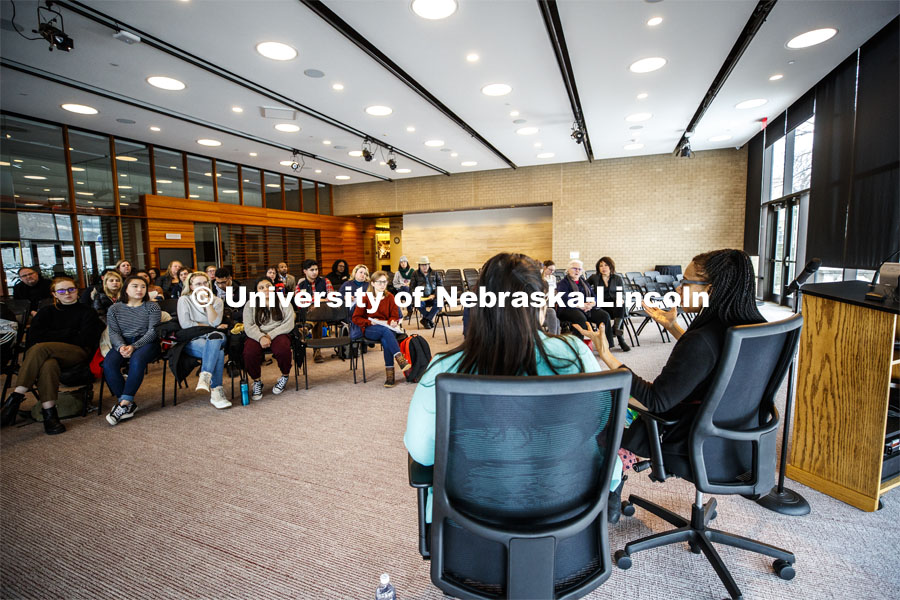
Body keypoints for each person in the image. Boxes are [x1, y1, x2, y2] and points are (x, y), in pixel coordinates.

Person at [404, 253, 622, 522]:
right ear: (542, 306)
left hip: (469, 528)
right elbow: (599, 426)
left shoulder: (443, 368)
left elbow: (422, 453)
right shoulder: (575, 354)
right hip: (570, 517)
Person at [576, 248, 765, 522]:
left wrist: (606, 356)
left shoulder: (702, 341)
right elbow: (710, 365)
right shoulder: (747, 327)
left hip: (683, 436)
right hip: (734, 439)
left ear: (710, 289)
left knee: (600, 404)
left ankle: (611, 482)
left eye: (686, 282)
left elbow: (655, 401)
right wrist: (675, 328)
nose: (678, 286)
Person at [1, 276, 103, 434]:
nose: (67, 293)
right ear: (55, 294)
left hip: (77, 352)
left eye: (71, 289)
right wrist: (70, 332)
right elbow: (34, 337)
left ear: (77, 291)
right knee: (48, 364)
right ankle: (50, 414)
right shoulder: (46, 312)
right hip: (50, 355)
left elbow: (85, 338)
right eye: (61, 290)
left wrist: (53, 335)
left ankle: (16, 397)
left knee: (41, 348)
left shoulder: (87, 311)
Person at [103, 275, 161, 426]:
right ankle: (125, 402)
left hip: (147, 343)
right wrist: (121, 346)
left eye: (143, 286)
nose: (140, 289)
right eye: (135, 286)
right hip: (123, 342)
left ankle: (124, 404)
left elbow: (153, 332)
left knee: (137, 360)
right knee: (108, 364)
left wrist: (135, 346)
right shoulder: (114, 308)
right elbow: (113, 332)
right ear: (126, 289)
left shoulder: (152, 306)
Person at [177, 272, 231, 409]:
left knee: (216, 338)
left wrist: (208, 303)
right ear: (191, 286)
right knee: (218, 351)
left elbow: (216, 322)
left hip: (215, 337)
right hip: (194, 339)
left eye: (205, 283)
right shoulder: (184, 300)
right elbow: (186, 325)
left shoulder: (217, 301)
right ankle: (216, 391)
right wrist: (210, 327)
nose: (202, 286)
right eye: (198, 284)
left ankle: (206, 375)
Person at [352, 270, 410, 388]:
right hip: (370, 328)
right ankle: (400, 359)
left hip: (386, 326)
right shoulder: (365, 298)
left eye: (384, 282)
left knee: (386, 338)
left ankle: (390, 376)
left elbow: (394, 315)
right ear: (372, 283)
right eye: (379, 282)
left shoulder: (390, 297)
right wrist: (369, 322)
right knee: (385, 332)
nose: (383, 285)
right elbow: (356, 318)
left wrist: (392, 321)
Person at [242, 277, 295, 401]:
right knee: (249, 352)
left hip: (279, 332)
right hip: (257, 334)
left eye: (268, 286)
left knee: (283, 350)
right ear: (256, 291)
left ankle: (284, 376)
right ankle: (257, 381)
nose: (266, 289)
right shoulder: (250, 304)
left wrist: (270, 336)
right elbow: (248, 326)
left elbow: (289, 323)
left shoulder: (283, 301)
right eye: (261, 288)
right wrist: (261, 337)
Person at [556, 259, 614, 349]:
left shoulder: (584, 282)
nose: (577, 271)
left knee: (604, 315)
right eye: (574, 268)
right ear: (568, 270)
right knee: (580, 318)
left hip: (586, 308)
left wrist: (592, 303)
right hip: (568, 309)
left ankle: (607, 345)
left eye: (579, 269)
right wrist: (580, 305)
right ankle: (578, 347)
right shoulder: (563, 283)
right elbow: (564, 298)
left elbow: (593, 295)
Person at [587, 257, 630, 351]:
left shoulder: (617, 278)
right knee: (619, 312)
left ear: (611, 266)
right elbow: (585, 287)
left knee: (620, 305)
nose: (603, 267)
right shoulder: (594, 277)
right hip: (601, 305)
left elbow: (622, 292)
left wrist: (621, 299)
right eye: (601, 265)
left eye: (606, 265)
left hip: (614, 305)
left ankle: (616, 330)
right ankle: (620, 337)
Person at [295, 259, 333, 364]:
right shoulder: (300, 285)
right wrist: (317, 300)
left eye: (316, 269)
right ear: (305, 271)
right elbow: (299, 301)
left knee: (318, 309)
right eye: (312, 270)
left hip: (325, 311)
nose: (315, 272)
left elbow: (331, 297)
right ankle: (317, 352)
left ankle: (306, 328)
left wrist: (315, 301)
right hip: (308, 313)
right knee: (318, 318)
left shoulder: (325, 281)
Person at [409, 256, 443, 329]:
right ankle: (429, 319)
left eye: (426, 265)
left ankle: (426, 319)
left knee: (440, 302)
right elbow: (412, 288)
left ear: (429, 265)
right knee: (418, 303)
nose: (425, 267)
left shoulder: (435, 273)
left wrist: (434, 295)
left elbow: (440, 286)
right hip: (421, 297)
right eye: (423, 265)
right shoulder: (415, 274)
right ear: (419, 265)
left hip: (432, 296)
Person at [541, 260, 560, 335]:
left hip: (551, 298)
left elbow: (555, 289)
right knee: (551, 312)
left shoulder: (553, 278)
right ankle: (553, 338)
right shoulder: (540, 279)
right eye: (550, 269)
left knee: (557, 320)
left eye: (553, 270)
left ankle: (555, 339)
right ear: (545, 268)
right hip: (544, 299)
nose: (552, 272)